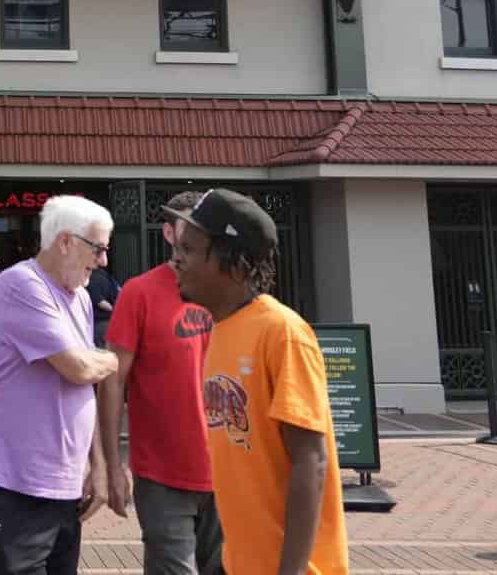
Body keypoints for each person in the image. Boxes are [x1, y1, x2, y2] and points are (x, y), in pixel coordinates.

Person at [167, 188, 347, 575]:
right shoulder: (223, 329)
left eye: (190, 248)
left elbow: (311, 460)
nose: (175, 259)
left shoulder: (281, 333)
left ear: (232, 262)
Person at [0, 195, 119, 575]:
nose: (103, 262)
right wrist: (118, 358)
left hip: (61, 484)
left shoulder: (79, 298)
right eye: (98, 248)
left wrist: (97, 466)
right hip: (15, 482)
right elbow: (78, 367)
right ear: (65, 241)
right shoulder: (20, 283)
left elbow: (85, 388)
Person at [98, 190, 221, 575]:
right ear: (169, 234)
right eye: (189, 231)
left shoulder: (232, 293)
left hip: (232, 473)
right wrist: (112, 466)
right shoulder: (139, 293)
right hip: (164, 475)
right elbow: (112, 381)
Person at [87, 265, 121, 348]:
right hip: (104, 323)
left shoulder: (96, 276)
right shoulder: (101, 276)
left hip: (104, 323)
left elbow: (101, 302)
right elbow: (100, 301)